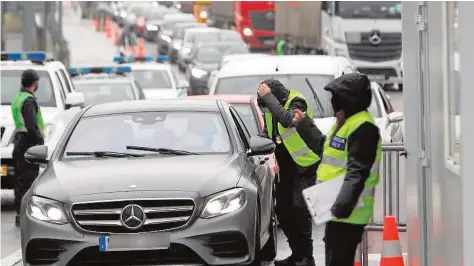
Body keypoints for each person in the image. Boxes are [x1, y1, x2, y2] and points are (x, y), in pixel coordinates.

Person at [292, 73, 382, 266]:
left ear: (348, 102)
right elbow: (326, 148)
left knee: (339, 261)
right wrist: (305, 125)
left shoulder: (363, 127)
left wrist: (342, 206)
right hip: (336, 208)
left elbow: (357, 172)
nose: (333, 106)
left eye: (336, 100)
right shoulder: (345, 124)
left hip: (349, 211)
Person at [257, 79, 322, 266]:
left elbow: (287, 120)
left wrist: (268, 97)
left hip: (306, 165)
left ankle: (307, 257)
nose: (266, 110)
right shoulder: (270, 109)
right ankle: (297, 254)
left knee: (299, 209)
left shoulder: (297, 101)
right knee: (283, 210)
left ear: (275, 98)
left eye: (267, 103)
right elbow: (267, 135)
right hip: (286, 168)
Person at [11, 69, 45, 227]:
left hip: (18, 141)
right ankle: (26, 216)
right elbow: (32, 126)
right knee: (29, 181)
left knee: (20, 181)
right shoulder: (29, 100)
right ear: (35, 83)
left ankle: (20, 215)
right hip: (28, 143)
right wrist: (40, 140)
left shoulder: (18, 97)